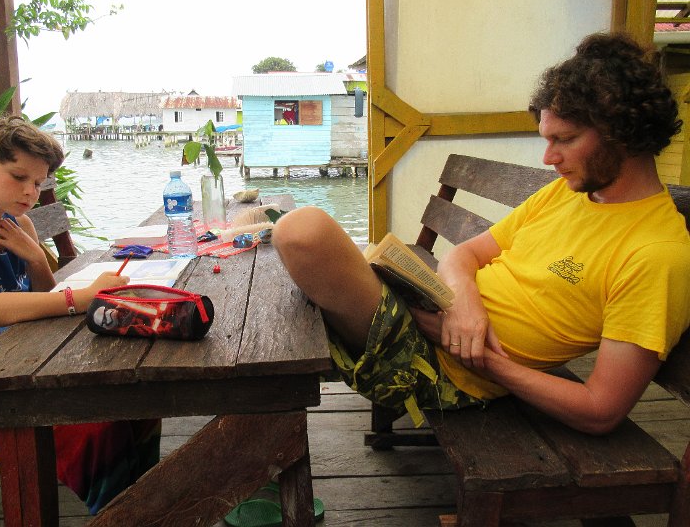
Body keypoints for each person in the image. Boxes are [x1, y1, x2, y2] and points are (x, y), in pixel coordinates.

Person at [272, 32, 690, 435]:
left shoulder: (656, 254)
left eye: (564, 139)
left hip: (443, 371)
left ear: (622, 130)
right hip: (436, 317)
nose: (549, 158)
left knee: (302, 233)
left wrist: (474, 353)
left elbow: (601, 411)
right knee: (293, 250)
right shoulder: (566, 193)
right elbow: (466, 254)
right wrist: (462, 305)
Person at [0, 116, 160, 513]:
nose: (31, 191)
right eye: (19, 177)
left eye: (39, 183)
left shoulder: (18, 223)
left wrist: (34, 256)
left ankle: (144, 500)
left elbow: (44, 296)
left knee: (141, 399)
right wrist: (81, 297)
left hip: (33, 354)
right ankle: (121, 511)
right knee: (98, 426)